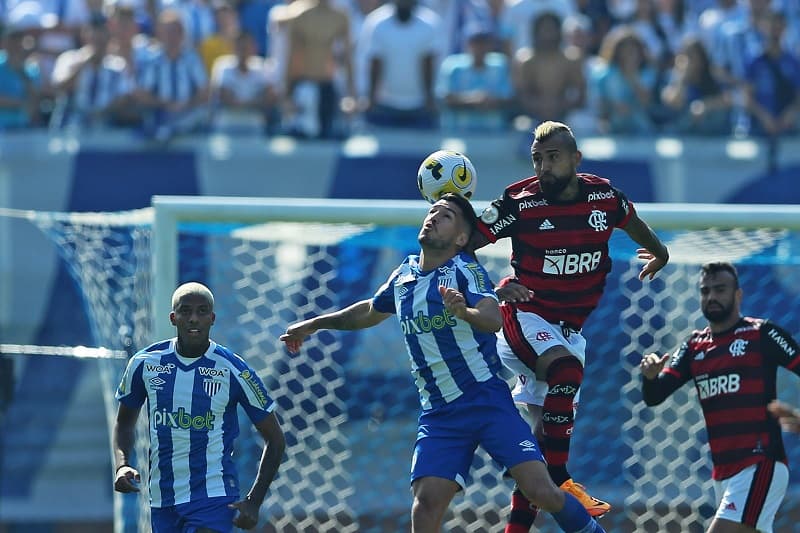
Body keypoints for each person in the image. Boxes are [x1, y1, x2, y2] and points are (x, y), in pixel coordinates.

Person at [280, 193, 607, 533]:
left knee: (541, 491)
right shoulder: (405, 274)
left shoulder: (466, 271)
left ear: (462, 238)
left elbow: (492, 318)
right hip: (439, 414)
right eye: (433, 211)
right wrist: (314, 324)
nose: (434, 217)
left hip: (486, 402)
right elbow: (368, 311)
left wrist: (462, 311)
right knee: (426, 506)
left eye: (447, 215)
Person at [471, 120, 669, 531]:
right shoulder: (519, 202)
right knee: (566, 371)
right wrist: (491, 290)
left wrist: (660, 251)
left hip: (568, 331)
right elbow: (464, 244)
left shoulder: (603, 197)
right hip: (524, 318)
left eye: (553, 157)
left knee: (540, 447)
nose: (543, 166)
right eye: (537, 158)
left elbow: (632, 221)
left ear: (576, 160)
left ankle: (522, 522)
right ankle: (564, 482)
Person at [639, 261, 800, 533]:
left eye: (720, 289)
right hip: (723, 473)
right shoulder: (694, 346)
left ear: (738, 294)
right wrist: (650, 376)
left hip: (759, 463)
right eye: (705, 291)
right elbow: (654, 396)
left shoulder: (762, 334)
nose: (711, 297)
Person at [113, 282, 286, 532]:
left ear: (212, 318)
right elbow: (125, 421)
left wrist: (254, 501)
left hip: (213, 497)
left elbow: (276, 439)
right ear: (173, 317)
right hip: (163, 499)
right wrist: (122, 464)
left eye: (202, 311)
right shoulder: (144, 363)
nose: (194, 318)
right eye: (185, 311)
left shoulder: (233, 369)